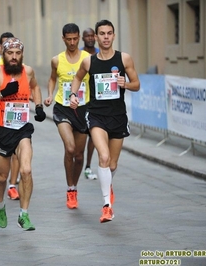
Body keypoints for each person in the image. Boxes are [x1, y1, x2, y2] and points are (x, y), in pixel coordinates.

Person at [69, 19, 140, 223]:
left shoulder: (124, 59)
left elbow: (137, 84)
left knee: (113, 164)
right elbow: (77, 78)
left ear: (114, 36)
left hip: (118, 117)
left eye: (109, 33)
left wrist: (125, 83)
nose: (106, 37)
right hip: (96, 115)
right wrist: (74, 95)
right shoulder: (89, 61)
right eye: (102, 33)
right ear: (96, 37)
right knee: (103, 157)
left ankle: (107, 183)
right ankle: (107, 206)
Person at [0, 37, 46, 231]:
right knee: (1, 177)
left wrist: (38, 106)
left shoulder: (28, 71)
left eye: (17, 53)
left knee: (26, 170)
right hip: (1, 130)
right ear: (4, 54)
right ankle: (0, 206)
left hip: (22, 129)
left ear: (21, 54)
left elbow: (35, 87)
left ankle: (23, 215)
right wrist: (3, 93)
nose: (14, 57)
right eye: (10, 53)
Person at [44, 23, 91, 209]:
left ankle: (74, 186)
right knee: (70, 148)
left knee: (79, 156)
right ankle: (70, 188)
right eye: (68, 39)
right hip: (63, 108)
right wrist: (49, 94)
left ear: (78, 38)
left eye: (75, 39)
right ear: (63, 39)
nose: (72, 42)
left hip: (83, 108)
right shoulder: (57, 60)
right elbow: (53, 78)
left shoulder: (88, 58)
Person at [0, 32, 20, 201]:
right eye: (6, 45)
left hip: (17, 119)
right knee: (3, 165)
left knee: (17, 152)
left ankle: (13, 185)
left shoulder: (22, 66)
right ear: (0, 48)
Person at [81, 27, 99, 180]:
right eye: (87, 36)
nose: (90, 38)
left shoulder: (101, 53)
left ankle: (88, 166)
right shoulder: (80, 55)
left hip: (96, 99)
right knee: (81, 134)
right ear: (83, 38)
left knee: (93, 135)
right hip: (81, 100)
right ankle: (79, 160)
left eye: (92, 35)